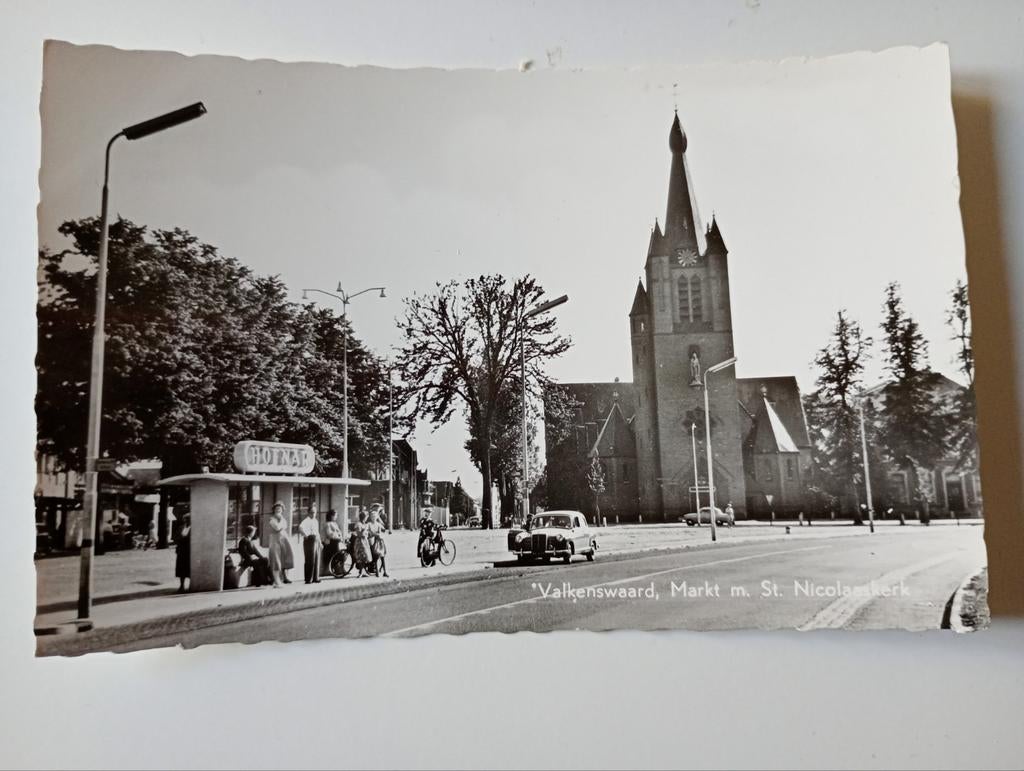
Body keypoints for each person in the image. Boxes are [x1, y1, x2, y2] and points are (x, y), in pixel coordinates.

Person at [267, 502, 294, 587]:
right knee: (276, 561)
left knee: (284, 559)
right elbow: (277, 528)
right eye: (277, 508)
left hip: (283, 540)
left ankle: (283, 578)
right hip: (275, 541)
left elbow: (284, 526)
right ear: (274, 510)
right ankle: (276, 581)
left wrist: (281, 523)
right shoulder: (272, 519)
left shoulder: (282, 519)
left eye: (280, 509)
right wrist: (282, 523)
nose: (278, 510)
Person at [299, 504, 322, 584]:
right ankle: (309, 579)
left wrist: (320, 543)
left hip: (315, 539)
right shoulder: (306, 521)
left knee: (316, 559)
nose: (313, 514)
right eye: (311, 512)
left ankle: (316, 577)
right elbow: (300, 528)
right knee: (310, 559)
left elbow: (317, 532)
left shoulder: (316, 521)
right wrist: (305, 535)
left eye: (314, 512)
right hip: (309, 540)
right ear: (308, 513)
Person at [367, 506, 389, 578]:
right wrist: (373, 534)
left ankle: (385, 571)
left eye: (375, 516)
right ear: (370, 517)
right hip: (372, 541)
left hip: (379, 541)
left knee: (382, 556)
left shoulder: (378, 524)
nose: (373, 518)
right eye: (372, 516)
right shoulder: (369, 524)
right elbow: (367, 532)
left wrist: (380, 532)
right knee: (375, 556)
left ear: (376, 517)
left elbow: (383, 529)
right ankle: (376, 571)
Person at [351, 510, 373, 577]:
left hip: (365, 541)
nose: (367, 518)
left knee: (365, 557)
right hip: (360, 542)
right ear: (364, 517)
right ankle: (360, 572)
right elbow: (359, 534)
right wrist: (364, 530)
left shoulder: (365, 524)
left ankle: (363, 571)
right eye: (366, 517)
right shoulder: (358, 524)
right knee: (361, 556)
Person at [322, 509, 344, 573]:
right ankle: (334, 569)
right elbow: (329, 534)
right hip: (330, 543)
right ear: (331, 516)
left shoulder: (335, 524)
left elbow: (339, 532)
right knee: (334, 555)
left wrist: (340, 536)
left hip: (336, 542)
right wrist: (337, 536)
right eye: (335, 515)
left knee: (341, 554)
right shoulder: (328, 524)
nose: (336, 517)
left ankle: (339, 568)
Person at [175, 513, 191, 593]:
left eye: (188, 519)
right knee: (181, 569)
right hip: (181, 550)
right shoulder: (181, 528)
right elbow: (176, 537)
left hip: (189, 551)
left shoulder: (193, 528)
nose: (187, 521)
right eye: (186, 519)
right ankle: (182, 585)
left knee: (189, 568)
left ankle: (191, 585)